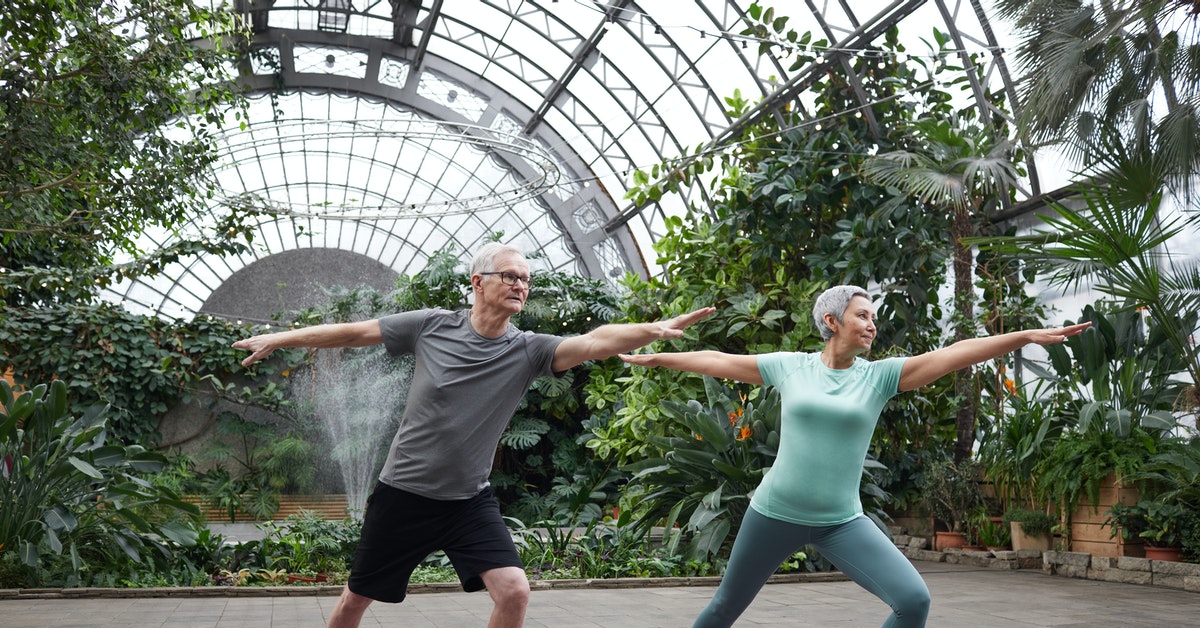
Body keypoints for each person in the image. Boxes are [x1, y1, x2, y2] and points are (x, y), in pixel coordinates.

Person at [232, 242, 714, 628]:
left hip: (468, 500)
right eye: (510, 275)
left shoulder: (529, 350)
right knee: (355, 602)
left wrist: (652, 328)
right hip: (404, 494)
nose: (520, 285)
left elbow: (595, 341)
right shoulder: (431, 327)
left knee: (515, 591)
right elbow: (354, 333)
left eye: (525, 279)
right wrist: (280, 337)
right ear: (477, 282)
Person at [619, 284, 1091, 628]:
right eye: (862, 315)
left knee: (913, 601)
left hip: (841, 521)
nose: (872, 324)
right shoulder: (791, 367)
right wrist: (660, 356)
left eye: (873, 316)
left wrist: (1022, 336)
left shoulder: (879, 377)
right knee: (724, 607)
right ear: (831, 322)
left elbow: (956, 353)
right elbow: (719, 361)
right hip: (773, 512)